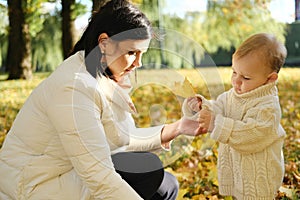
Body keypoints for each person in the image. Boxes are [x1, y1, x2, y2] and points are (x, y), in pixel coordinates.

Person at [0, 0, 203, 199]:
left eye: (142, 54)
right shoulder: (73, 89)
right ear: (104, 43)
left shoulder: (102, 75)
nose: (138, 63)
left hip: (67, 173)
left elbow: (120, 137)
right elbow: (98, 175)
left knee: (164, 183)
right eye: (132, 52)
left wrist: (178, 128)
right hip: (34, 186)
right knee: (147, 171)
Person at [183, 33, 287, 199]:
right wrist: (201, 107)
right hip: (237, 171)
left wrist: (216, 123)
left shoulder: (268, 107)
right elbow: (218, 109)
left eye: (246, 77)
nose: (236, 82)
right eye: (234, 72)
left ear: (269, 79)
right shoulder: (232, 95)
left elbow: (251, 135)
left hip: (259, 178)